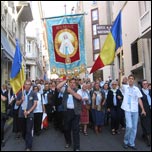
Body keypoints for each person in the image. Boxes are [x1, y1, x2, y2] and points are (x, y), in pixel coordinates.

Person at [121, 74, 146, 150]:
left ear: (134, 80)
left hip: (135, 110)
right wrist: (119, 74)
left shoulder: (136, 89)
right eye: (129, 78)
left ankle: (131, 143)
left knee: (134, 127)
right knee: (129, 126)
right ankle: (125, 141)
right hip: (127, 109)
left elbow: (139, 99)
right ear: (128, 80)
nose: (131, 80)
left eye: (132, 78)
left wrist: (143, 109)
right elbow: (120, 84)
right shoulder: (125, 88)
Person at [57, 77, 82, 151]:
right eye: (71, 82)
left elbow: (79, 98)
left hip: (75, 112)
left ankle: (76, 147)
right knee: (66, 128)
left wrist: (71, 91)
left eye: (74, 82)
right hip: (66, 112)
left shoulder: (78, 90)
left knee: (75, 130)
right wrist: (65, 80)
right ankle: (68, 142)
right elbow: (58, 87)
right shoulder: (65, 89)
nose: (72, 84)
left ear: (76, 84)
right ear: (69, 83)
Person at [16, 80, 38, 151]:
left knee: (29, 130)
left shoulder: (33, 93)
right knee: (24, 131)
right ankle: (27, 141)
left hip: (30, 115)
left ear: (31, 86)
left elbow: (35, 104)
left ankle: (28, 147)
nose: (27, 86)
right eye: (26, 84)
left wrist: (28, 111)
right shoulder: (20, 93)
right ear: (24, 85)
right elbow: (17, 104)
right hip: (21, 114)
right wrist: (21, 100)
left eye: (29, 84)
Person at [139, 80, 151, 146]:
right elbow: (139, 102)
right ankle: (148, 139)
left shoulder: (150, 91)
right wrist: (142, 110)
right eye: (144, 84)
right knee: (145, 123)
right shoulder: (140, 92)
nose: (145, 85)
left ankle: (144, 134)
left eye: (146, 83)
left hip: (150, 109)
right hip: (144, 110)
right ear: (142, 85)